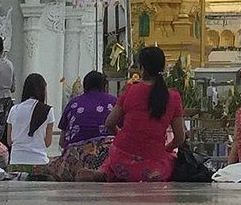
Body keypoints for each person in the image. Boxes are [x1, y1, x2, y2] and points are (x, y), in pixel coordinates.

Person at [89, 45, 187, 182]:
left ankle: (103, 172)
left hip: (121, 160)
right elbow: (180, 138)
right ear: (163, 68)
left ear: (142, 68)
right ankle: (151, 173)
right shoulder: (173, 97)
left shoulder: (130, 90)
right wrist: (166, 149)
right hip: (154, 159)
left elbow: (109, 123)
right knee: (170, 161)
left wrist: (121, 134)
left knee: (112, 160)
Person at [46, 70, 116, 180]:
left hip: (76, 157)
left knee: (53, 166)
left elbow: (62, 141)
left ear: (85, 86)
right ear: (104, 86)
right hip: (106, 155)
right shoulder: (113, 102)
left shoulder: (73, 103)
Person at [6, 73, 54, 170]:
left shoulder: (14, 109)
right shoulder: (48, 110)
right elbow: (47, 143)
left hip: (15, 162)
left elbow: (9, 141)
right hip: (39, 163)